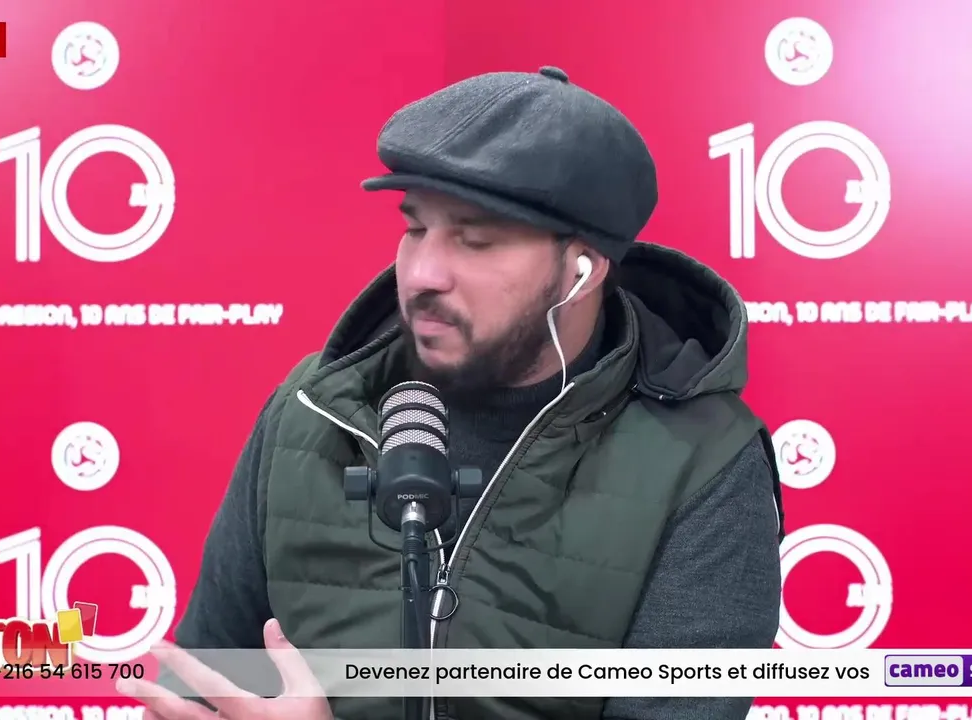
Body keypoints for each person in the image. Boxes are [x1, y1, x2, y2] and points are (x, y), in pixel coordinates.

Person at [118, 65, 785, 720]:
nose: (423, 273)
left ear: (583, 270)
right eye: (415, 228)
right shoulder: (313, 409)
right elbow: (201, 687)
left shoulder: (703, 460)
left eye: (476, 240)